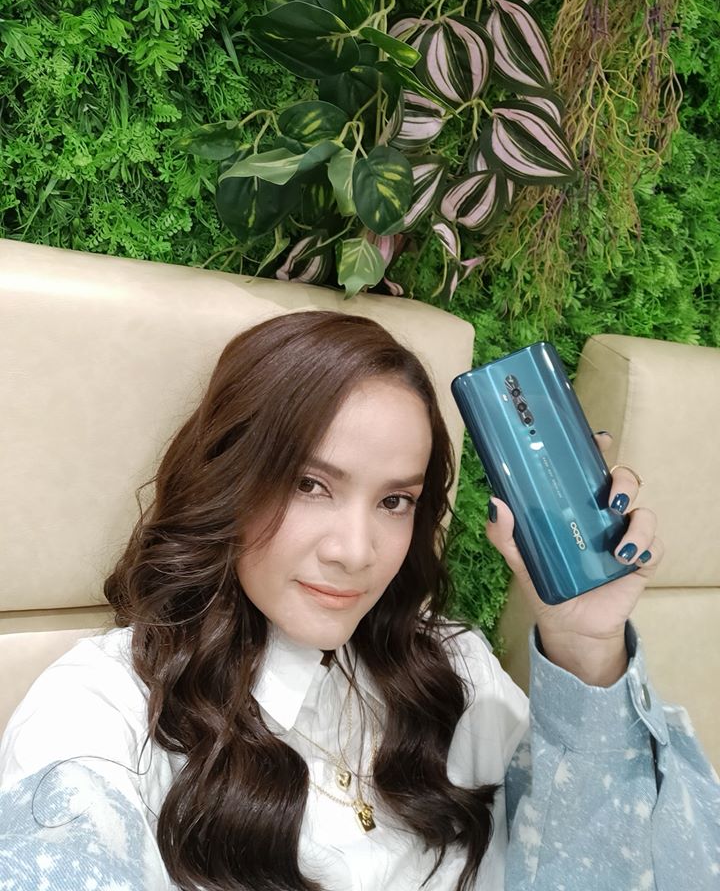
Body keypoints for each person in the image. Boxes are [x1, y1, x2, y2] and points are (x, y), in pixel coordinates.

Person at [0, 310, 718, 891]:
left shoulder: (452, 671)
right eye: (310, 485)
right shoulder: (107, 708)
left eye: (395, 500)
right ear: (230, 479)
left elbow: (608, 869)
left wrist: (586, 646)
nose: (355, 551)